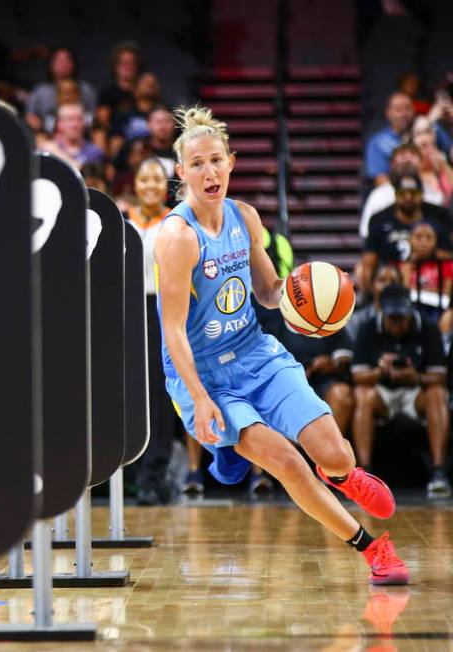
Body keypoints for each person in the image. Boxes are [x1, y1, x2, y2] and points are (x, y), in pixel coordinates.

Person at [155, 105, 409, 585]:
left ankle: (340, 475)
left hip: (255, 352)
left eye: (216, 161)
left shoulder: (246, 217)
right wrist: (203, 399)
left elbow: (269, 292)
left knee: (333, 453)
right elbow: (172, 331)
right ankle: (373, 549)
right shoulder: (177, 237)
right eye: (197, 164)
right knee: (287, 460)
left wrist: (310, 291)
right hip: (203, 373)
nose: (209, 172)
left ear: (231, 161)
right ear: (181, 171)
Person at [351, 284, 450, 497]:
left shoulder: (427, 327)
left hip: (415, 390)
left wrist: (415, 376)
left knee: (437, 394)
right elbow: (357, 376)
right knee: (362, 395)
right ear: (382, 312)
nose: (398, 323)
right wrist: (380, 371)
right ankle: (365, 474)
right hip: (382, 392)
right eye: (392, 318)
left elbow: (440, 375)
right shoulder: (368, 327)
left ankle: (439, 471)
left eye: (401, 317)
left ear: (410, 311)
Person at [123, 158, 179, 505]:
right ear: (135, 184)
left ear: (166, 185)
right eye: (144, 179)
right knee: (132, 393)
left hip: (164, 310)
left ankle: (156, 474)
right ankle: (135, 474)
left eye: (157, 180)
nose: (150, 186)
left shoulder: (174, 223)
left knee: (161, 395)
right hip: (128, 312)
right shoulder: (120, 222)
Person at [357, 171, 452, 294]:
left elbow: (450, 254)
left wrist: (429, 254)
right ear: (395, 195)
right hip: (392, 277)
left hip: (433, 275)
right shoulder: (379, 219)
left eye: (413, 193)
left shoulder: (439, 216)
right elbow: (369, 262)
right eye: (402, 193)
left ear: (422, 194)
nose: (408, 197)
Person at [359, 143, 445, 238]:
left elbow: (443, 232)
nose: (407, 159)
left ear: (421, 164)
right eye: (402, 156)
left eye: (412, 156)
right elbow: (366, 233)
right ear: (391, 164)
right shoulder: (379, 195)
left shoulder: (432, 193)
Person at [24, 47, 97, 134]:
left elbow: (92, 116)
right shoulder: (40, 90)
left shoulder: (86, 88)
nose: (63, 64)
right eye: (58, 60)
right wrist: (47, 130)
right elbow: (30, 116)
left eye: (67, 60)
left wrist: (77, 127)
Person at [398, 221, 453, 321]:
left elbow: (446, 294)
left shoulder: (445, 265)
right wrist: (408, 269)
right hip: (408, 310)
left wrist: (414, 288)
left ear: (436, 241)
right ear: (410, 239)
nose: (424, 242)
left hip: (437, 311)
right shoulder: (402, 265)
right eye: (418, 237)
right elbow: (402, 293)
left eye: (429, 238)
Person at [38, 102, 105, 169]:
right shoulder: (45, 149)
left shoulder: (94, 151)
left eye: (79, 119)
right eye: (69, 119)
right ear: (59, 124)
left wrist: (56, 153)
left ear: (84, 123)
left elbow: (83, 175)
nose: (74, 124)